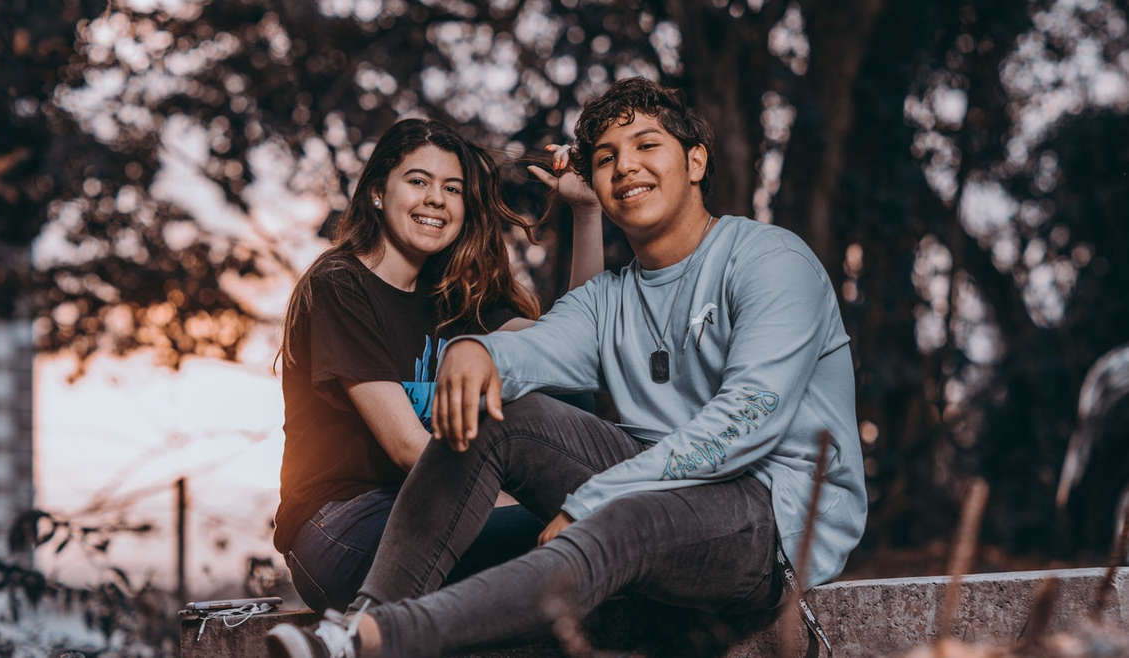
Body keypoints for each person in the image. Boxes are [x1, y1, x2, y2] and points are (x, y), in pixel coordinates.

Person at [267, 78, 867, 658]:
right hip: (645, 486)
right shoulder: (608, 299)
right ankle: (358, 630)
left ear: (696, 162)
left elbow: (748, 419)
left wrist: (592, 499)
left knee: (618, 519)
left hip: (773, 516)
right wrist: (475, 352)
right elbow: (537, 349)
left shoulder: (771, 260)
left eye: (647, 145)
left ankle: (383, 639)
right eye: (606, 157)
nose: (626, 166)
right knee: (505, 418)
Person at [273, 117, 603, 613]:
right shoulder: (339, 284)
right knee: (588, 529)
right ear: (379, 193)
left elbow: (572, 350)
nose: (436, 199)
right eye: (418, 181)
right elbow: (409, 449)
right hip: (342, 530)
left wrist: (587, 212)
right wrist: (533, 503)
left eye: (452, 188)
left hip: (431, 509)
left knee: (587, 465)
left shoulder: (453, 298)